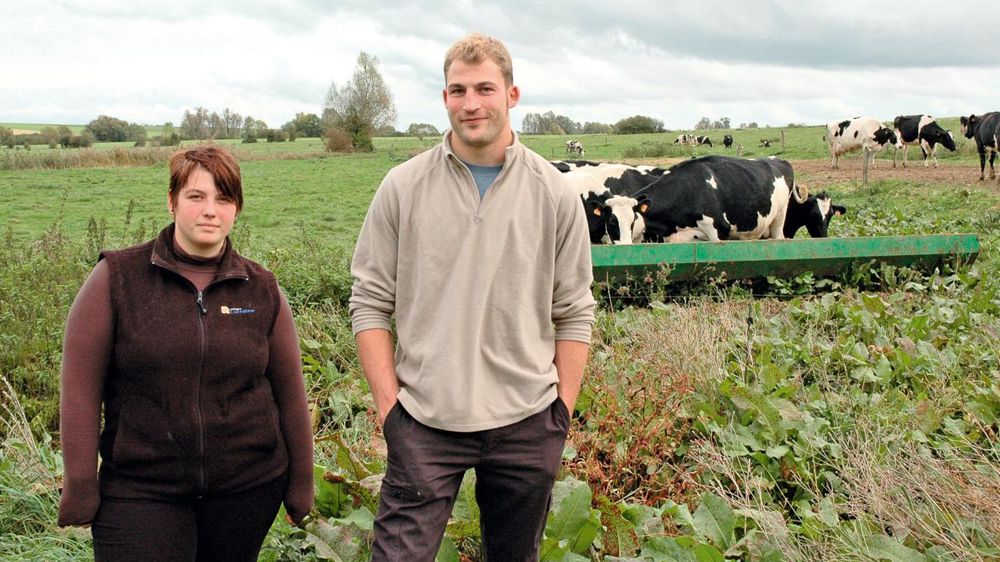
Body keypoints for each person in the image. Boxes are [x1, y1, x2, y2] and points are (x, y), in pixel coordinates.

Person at [349, 33, 596, 561]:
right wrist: (390, 407)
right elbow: (369, 302)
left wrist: (561, 413)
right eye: (458, 90)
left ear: (512, 94)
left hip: (527, 422)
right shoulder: (402, 187)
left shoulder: (554, 193)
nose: (471, 103)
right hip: (424, 421)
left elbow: (574, 311)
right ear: (444, 99)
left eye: (485, 88)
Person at [58, 145, 314, 561]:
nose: (210, 210)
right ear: (172, 201)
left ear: (236, 209)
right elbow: (80, 388)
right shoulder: (117, 279)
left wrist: (301, 483)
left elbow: (290, 392)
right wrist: (82, 483)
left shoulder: (261, 289)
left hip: (246, 491)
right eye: (196, 197)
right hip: (141, 490)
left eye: (223, 198)